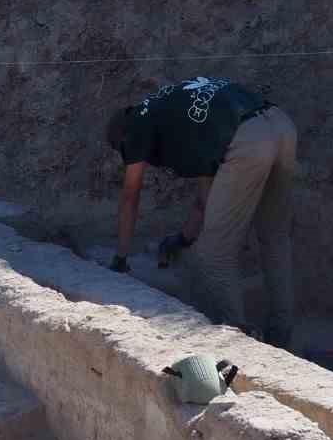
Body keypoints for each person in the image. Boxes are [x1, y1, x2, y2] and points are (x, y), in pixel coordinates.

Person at [105, 77, 299, 346]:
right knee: (275, 237)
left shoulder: (136, 125)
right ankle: (282, 338)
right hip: (281, 125)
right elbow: (205, 200)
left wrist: (120, 258)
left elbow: (130, 196)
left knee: (214, 252)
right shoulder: (175, 113)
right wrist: (183, 238)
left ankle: (240, 344)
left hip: (249, 139)